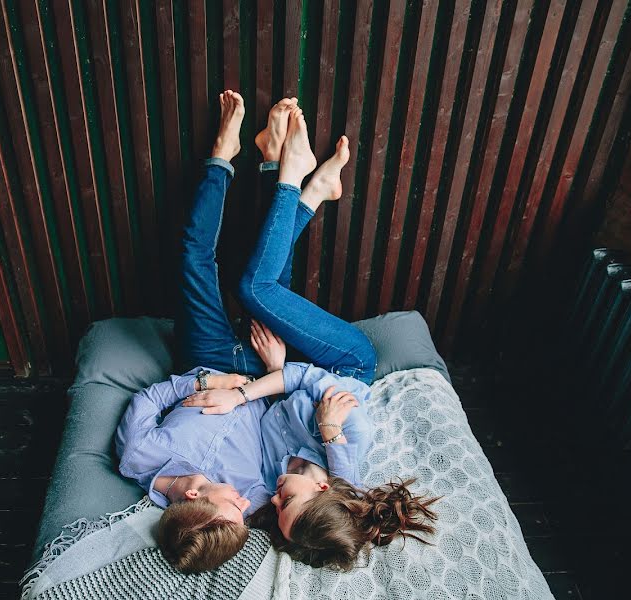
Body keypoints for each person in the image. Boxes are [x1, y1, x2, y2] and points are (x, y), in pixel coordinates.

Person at [115, 91, 378, 573]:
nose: (249, 504)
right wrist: (274, 378)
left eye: (234, 506)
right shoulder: (266, 492)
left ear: (193, 496)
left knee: (195, 259)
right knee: (265, 281)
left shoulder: (138, 459)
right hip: (267, 368)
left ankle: (227, 156)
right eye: (246, 511)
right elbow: (320, 463)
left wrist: (206, 383)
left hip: (206, 361)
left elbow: (149, 401)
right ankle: (279, 167)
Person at [182, 107, 439, 571]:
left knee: (269, 283)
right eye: (289, 504)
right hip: (343, 363)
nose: (275, 501)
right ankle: (291, 179)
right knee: (257, 288)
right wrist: (274, 385)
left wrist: (241, 384)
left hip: (274, 368)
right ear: (323, 489)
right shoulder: (345, 434)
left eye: (276, 513)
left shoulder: (275, 481)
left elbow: (256, 431)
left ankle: (305, 186)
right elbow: (307, 380)